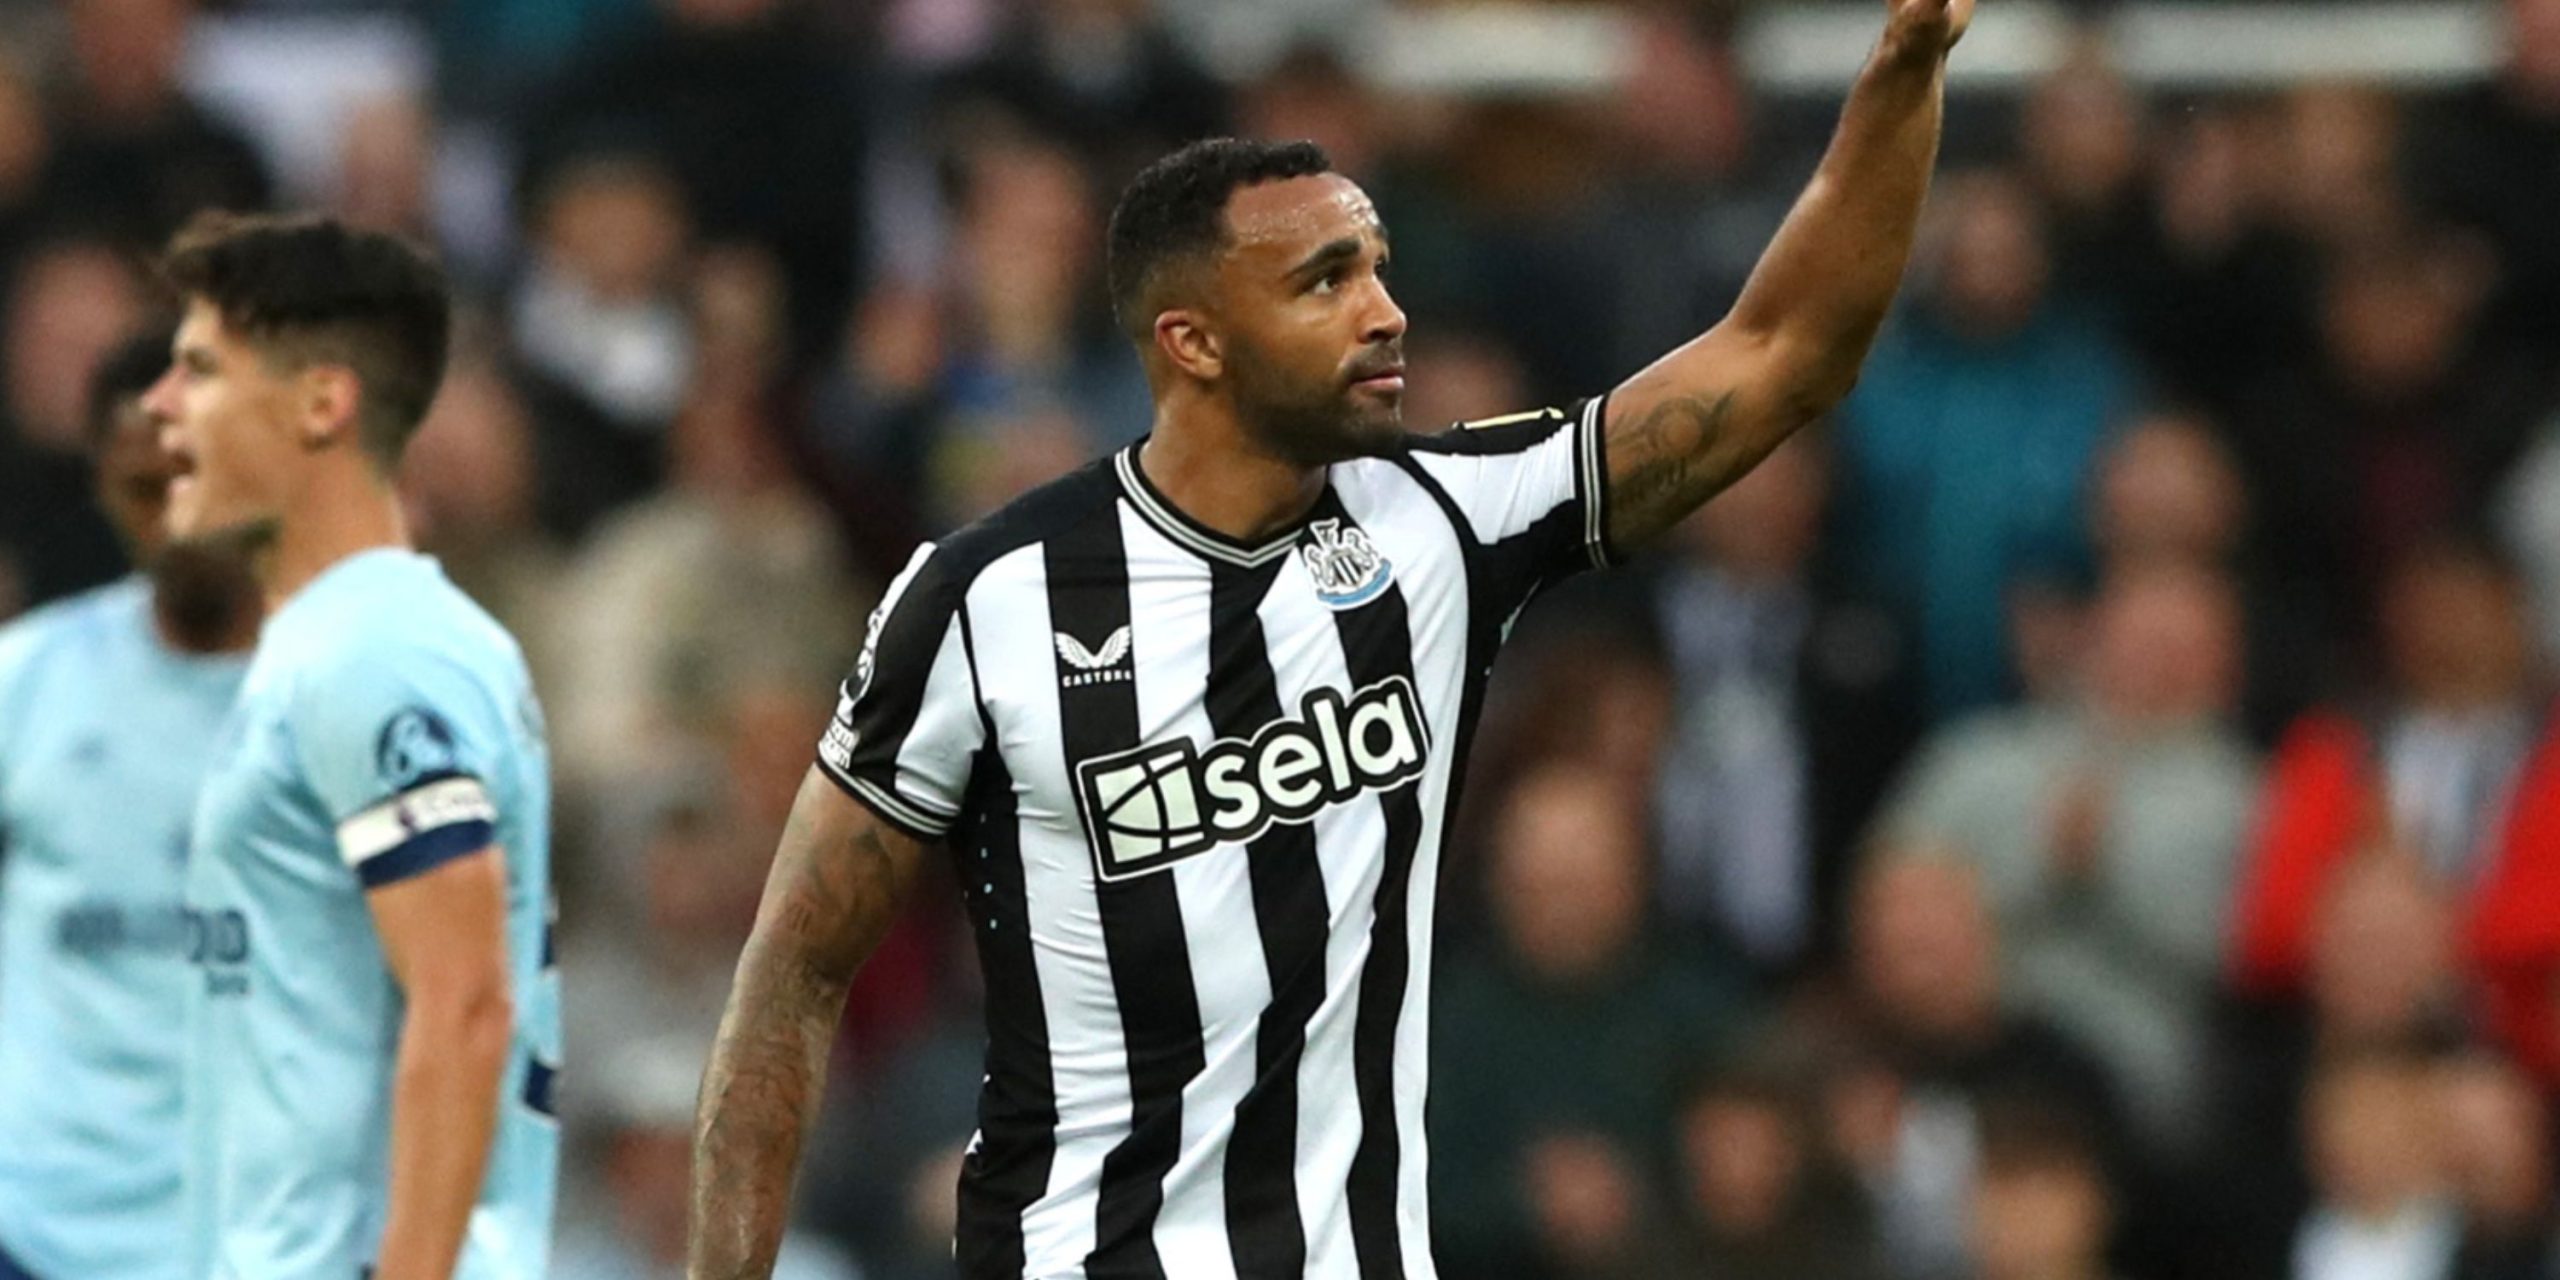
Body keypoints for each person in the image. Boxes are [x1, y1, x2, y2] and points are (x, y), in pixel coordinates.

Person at [690, 0, 1975, 1273]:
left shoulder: (1443, 520)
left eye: (1376, 267)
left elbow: (1785, 350)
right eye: (1325, 281)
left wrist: (1903, 74)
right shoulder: (985, 596)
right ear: (1193, 342)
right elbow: (793, 970)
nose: (1385, 311)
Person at [140, 213, 560, 1278]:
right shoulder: (348, 643)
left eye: (200, 370)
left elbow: (464, 1004)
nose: (159, 404)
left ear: (322, 403)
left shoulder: (375, 655)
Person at [0, 329, 260, 1280]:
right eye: (146, 490)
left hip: (264, 1231)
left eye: (198, 479)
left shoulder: (347, 697)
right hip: (36, 1228)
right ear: (104, 484)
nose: (177, 522)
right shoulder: (26, 681)